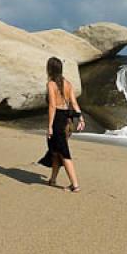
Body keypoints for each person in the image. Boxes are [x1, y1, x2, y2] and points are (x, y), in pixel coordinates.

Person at [39, 57, 85, 192]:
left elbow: (52, 106)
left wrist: (49, 126)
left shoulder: (51, 84)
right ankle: (52, 180)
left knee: (64, 153)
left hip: (57, 119)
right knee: (55, 152)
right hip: (66, 119)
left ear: (50, 69)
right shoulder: (68, 84)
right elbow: (74, 103)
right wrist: (80, 118)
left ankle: (75, 185)